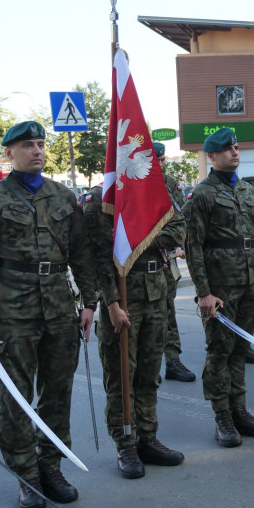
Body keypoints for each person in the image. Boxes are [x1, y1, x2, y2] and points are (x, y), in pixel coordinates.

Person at [0, 121, 97, 508]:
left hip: (59, 307)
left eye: (40, 144)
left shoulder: (62, 196)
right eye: (27, 145)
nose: (36, 150)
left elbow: (81, 253)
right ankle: (26, 474)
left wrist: (89, 302)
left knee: (57, 394)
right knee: (16, 398)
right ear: (9, 153)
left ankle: (51, 466)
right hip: (13, 311)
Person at [85, 184, 186, 476]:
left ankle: (147, 436)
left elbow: (179, 230)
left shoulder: (154, 191)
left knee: (149, 372)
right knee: (121, 375)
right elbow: (101, 255)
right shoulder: (99, 198)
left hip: (156, 290)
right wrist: (112, 302)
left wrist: (137, 234)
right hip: (122, 294)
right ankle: (125, 443)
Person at [184, 128, 254, 448]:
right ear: (211, 156)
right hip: (220, 286)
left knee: (239, 349)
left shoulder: (249, 191)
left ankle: (239, 410)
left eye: (236, 148)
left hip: (249, 283)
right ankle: (222, 415)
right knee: (220, 350)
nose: (234, 153)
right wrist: (204, 292)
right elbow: (193, 246)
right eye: (226, 149)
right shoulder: (202, 194)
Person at [154, 142, 196, 382]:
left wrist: (179, 245)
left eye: (162, 161)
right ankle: (149, 366)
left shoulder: (169, 184)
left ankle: (172, 360)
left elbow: (180, 216)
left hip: (167, 258)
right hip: (142, 260)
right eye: (156, 161)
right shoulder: (135, 182)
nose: (159, 165)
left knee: (168, 311)